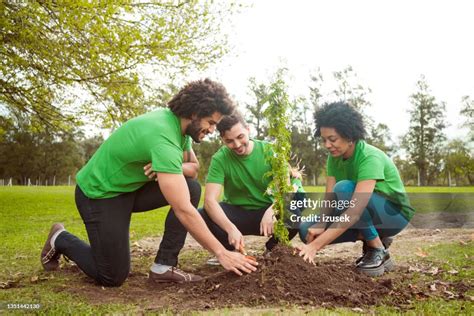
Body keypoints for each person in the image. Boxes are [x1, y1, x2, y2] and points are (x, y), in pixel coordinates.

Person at [40, 79, 258, 287]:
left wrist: (171, 168)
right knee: (112, 275)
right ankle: (61, 238)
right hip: (99, 195)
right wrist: (222, 253)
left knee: (191, 188)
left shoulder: (180, 128)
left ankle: (164, 266)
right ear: (194, 114)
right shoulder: (163, 138)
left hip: (129, 189)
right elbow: (183, 209)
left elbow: (193, 169)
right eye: (211, 123)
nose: (212, 130)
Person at [145, 112, 302, 264]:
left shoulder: (271, 151)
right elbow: (210, 201)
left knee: (293, 211)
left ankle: (273, 249)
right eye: (230, 141)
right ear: (222, 139)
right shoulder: (220, 159)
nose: (237, 145)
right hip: (238, 212)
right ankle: (229, 252)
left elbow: (286, 191)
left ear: (248, 129)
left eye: (240, 137)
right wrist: (230, 228)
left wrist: (272, 210)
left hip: (268, 212)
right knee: (202, 215)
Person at [297, 101, 415, 277]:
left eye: (332, 139)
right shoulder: (334, 157)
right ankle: (374, 238)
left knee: (344, 188)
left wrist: (315, 246)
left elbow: (355, 209)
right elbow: (330, 198)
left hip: (394, 215)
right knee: (306, 228)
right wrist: (320, 224)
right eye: (324, 140)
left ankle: (377, 248)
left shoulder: (369, 157)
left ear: (350, 136)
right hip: (362, 213)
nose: (327, 145)